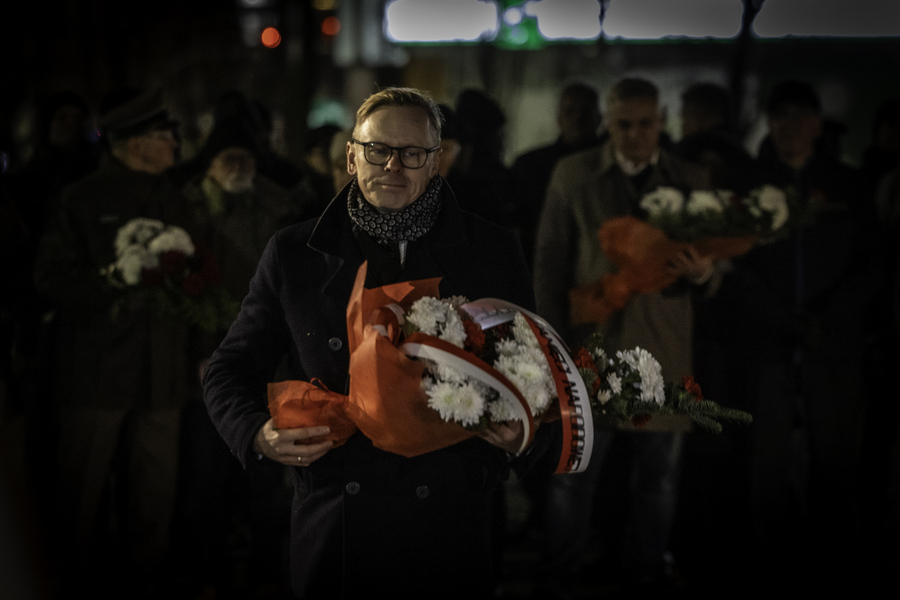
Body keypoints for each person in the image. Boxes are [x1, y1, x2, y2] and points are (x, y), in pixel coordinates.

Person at [202, 86, 557, 600]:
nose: (393, 165)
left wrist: (523, 431)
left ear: (435, 162)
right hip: (339, 514)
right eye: (377, 149)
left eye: (412, 153)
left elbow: (534, 371)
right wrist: (257, 434)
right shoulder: (295, 253)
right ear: (351, 157)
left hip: (451, 512)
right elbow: (230, 368)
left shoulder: (491, 250)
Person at [532, 77, 716, 597]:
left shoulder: (692, 181)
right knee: (573, 473)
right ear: (607, 124)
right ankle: (562, 575)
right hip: (591, 346)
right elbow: (549, 263)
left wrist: (705, 274)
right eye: (624, 125)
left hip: (664, 345)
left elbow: (713, 267)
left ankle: (645, 573)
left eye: (646, 124)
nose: (635, 135)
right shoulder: (574, 174)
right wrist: (550, 346)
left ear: (663, 122)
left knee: (658, 480)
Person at [720, 79, 884, 593]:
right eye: (780, 116)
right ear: (769, 124)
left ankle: (831, 566)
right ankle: (766, 569)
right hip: (766, 346)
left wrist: (829, 318)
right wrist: (779, 319)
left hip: (833, 348)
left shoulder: (848, 187)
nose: (789, 126)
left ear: (817, 123)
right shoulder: (746, 185)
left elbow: (873, 262)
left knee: (836, 462)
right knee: (762, 467)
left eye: (799, 115)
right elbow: (733, 265)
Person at [33, 87, 197, 599]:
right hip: (96, 371)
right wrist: (111, 280)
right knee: (80, 493)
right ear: (135, 142)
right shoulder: (82, 199)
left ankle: (142, 585)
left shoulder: (177, 199)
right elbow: (49, 277)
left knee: (154, 492)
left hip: (161, 368)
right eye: (165, 135)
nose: (175, 143)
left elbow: (199, 282)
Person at [174, 117, 302, 597]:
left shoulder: (276, 205)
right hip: (205, 364)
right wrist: (200, 352)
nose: (238, 167)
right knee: (205, 480)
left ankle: (268, 575)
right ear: (210, 164)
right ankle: (208, 575)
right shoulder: (187, 209)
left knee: (267, 483)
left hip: (268, 368)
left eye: (246, 158)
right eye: (228, 158)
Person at [512, 82, 604, 268]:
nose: (578, 118)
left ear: (599, 118)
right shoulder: (529, 166)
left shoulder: (615, 164)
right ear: (559, 118)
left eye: (585, 112)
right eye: (570, 111)